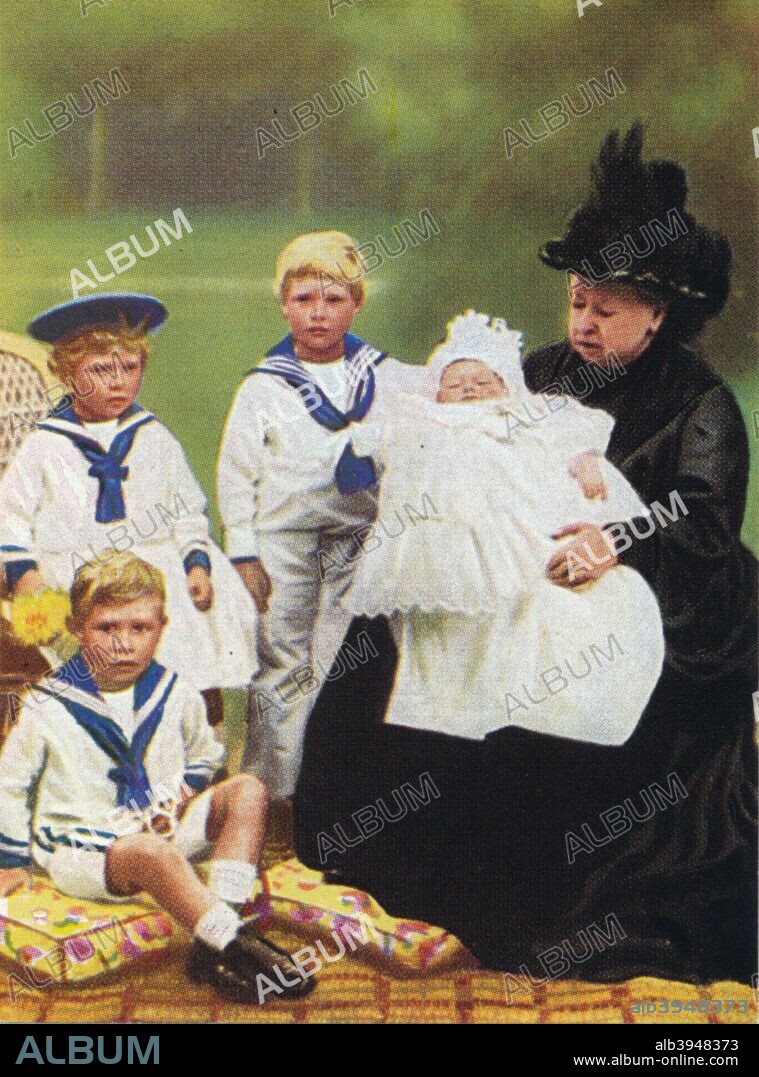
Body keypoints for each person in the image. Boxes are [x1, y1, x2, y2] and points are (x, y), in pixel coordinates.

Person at [295, 127, 757, 985]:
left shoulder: (701, 403)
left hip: (674, 592)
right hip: (525, 566)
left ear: (659, 312)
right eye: (576, 302)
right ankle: (387, 874)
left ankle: (537, 907)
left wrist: (612, 540)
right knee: (395, 641)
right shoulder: (537, 372)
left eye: (605, 309)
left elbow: (702, 516)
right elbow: (468, 440)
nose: (582, 322)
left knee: (576, 670)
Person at [0, 551, 312, 1003]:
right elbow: (9, 785)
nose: (124, 644)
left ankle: (212, 945)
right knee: (151, 855)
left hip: (161, 827)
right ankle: (237, 943)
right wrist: (9, 860)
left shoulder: (175, 690)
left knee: (248, 790)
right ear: (76, 629)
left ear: (161, 628)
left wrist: (186, 792)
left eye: (139, 628)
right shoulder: (47, 704)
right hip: (87, 850)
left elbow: (206, 754)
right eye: (107, 629)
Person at [343, 310, 664, 745]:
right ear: (436, 392)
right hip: (444, 542)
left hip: (521, 534)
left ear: (507, 387)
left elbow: (570, 433)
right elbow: (364, 452)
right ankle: (453, 709)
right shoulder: (424, 419)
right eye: (455, 384)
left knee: (563, 609)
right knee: (447, 636)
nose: (470, 391)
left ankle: (521, 704)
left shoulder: (527, 415)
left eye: (483, 382)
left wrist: (585, 458)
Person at [0, 293, 260, 725]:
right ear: (66, 373)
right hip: (78, 571)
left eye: (130, 368)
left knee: (188, 626)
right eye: (101, 370)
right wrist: (25, 574)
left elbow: (187, 510)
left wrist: (195, 561)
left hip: (152, 563)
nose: (119, 382)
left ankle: (198, 738)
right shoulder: (45, 445)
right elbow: (11, 515)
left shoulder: (153, 435)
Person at [217, 230, 409, 800]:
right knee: (282, 658)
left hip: (359, 536)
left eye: (333, 299)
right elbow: (235, 475)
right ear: (283, 304)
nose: (319, 313)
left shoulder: (385, 376)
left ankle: (334, 798)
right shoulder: (263, 386)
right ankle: (273, 798)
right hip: (283, 539)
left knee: (345, 658)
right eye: (304, 300)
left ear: (356, 303)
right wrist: (244, 553)